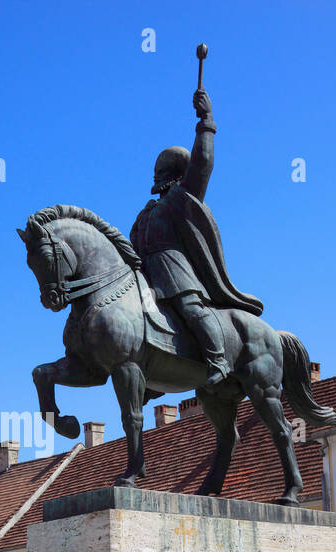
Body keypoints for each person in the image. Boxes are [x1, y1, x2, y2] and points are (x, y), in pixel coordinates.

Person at [130, 87, 264, 389]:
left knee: (191, 310)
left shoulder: (181, 196)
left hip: (177, 274)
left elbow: (203, 162)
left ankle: (218, 358)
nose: (157, 176)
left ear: (174, 174)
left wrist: (206, 120)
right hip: (146, 276)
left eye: (162, 171)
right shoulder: (146, 212)